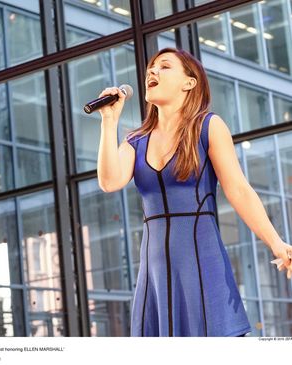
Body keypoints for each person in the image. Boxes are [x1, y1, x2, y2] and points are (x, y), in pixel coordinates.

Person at [96, 46, 292, 337]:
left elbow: (238, 189)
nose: (152, 71)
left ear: (190, 82)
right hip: (154, 272)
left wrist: (278, 244)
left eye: (164, 66)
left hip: (202, 262)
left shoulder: (208, 127)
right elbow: (109, 182)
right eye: (151, 67)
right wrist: (108, 121)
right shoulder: (135, 141)